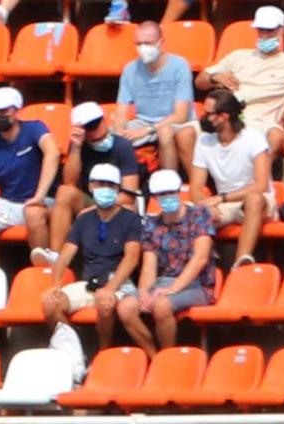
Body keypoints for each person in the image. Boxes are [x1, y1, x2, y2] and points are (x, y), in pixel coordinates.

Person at [195, 7, 284, 175]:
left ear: (282, 30)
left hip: (261, 123)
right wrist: (216, 78)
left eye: (270, 31)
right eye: (261, 30)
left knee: (275, 136)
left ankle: (254, 183)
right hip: (226, 116)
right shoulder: (238, 56)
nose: (264, 35)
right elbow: (200, 81)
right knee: (185, 133)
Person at [117, 170, 216, 353]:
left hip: (197, 283)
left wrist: (174, 288)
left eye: (171, 192)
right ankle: (153, 355)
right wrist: (144, 291)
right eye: (162, 194)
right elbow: (149, 265)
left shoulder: (200, 215)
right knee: (125, 307)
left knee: (162, 306)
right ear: (155, 197)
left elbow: (200, 258)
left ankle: (167, 354)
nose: (167, 197)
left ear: (178, 192)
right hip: (163, 282)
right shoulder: (152, 224)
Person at [43, 165, 140, 350]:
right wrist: (55, 285)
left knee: (104, 304)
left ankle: (103, 351)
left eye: (110, 185)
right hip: (90, 283)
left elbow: (131, 258)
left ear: (118, 189)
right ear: (90, 187)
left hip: (118, 282)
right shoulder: (83, 220)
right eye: (100, 184)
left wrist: (110, 288)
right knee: (50, 305)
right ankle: (74, 352)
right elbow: (65, 255)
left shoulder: (130, 219)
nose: (104, 189)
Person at [0, 88, 60, 265]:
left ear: (16, 111)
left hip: (41, 200)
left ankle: (44, 270)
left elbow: (52, 153)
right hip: (9, 203)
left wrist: (39, 195)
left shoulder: (34, 128)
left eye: (4, 110)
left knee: (33, 214)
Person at [186, 91, 273, 271]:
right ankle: (199, 266)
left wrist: (221, 198)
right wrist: (205, 205)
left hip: (258, 201)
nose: (204, 118)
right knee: (196, 213)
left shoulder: (253, 138)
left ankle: (241, 261)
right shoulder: (204, 141)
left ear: (223, 116)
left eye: (208, 114)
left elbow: (261, 185)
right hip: (225, 205)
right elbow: (195, 187)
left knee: (254, 199)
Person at [47, 103, 143, 259]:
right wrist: (76, 149)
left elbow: (128, 194)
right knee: (64, 192)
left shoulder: (122, 146)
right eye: (90, 128)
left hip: (116, 202)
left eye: (98, 123)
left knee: (129, 208)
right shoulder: (79, 145)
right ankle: (56, 256)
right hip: (90, 199)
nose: (97, 131)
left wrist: (95, 210)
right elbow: (69, 182)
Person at [117, 20, 196, 174]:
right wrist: (119, 134)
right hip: (142, 122)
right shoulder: (130, 69)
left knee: (164, 132)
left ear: (161, 43)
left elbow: (181, 115)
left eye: (148, 43)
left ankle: (168, 183)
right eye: (138, 44)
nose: (142, 48)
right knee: (108, 136)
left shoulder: (180, 66)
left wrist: (148, 130)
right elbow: (121, 111)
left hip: (177, 123)